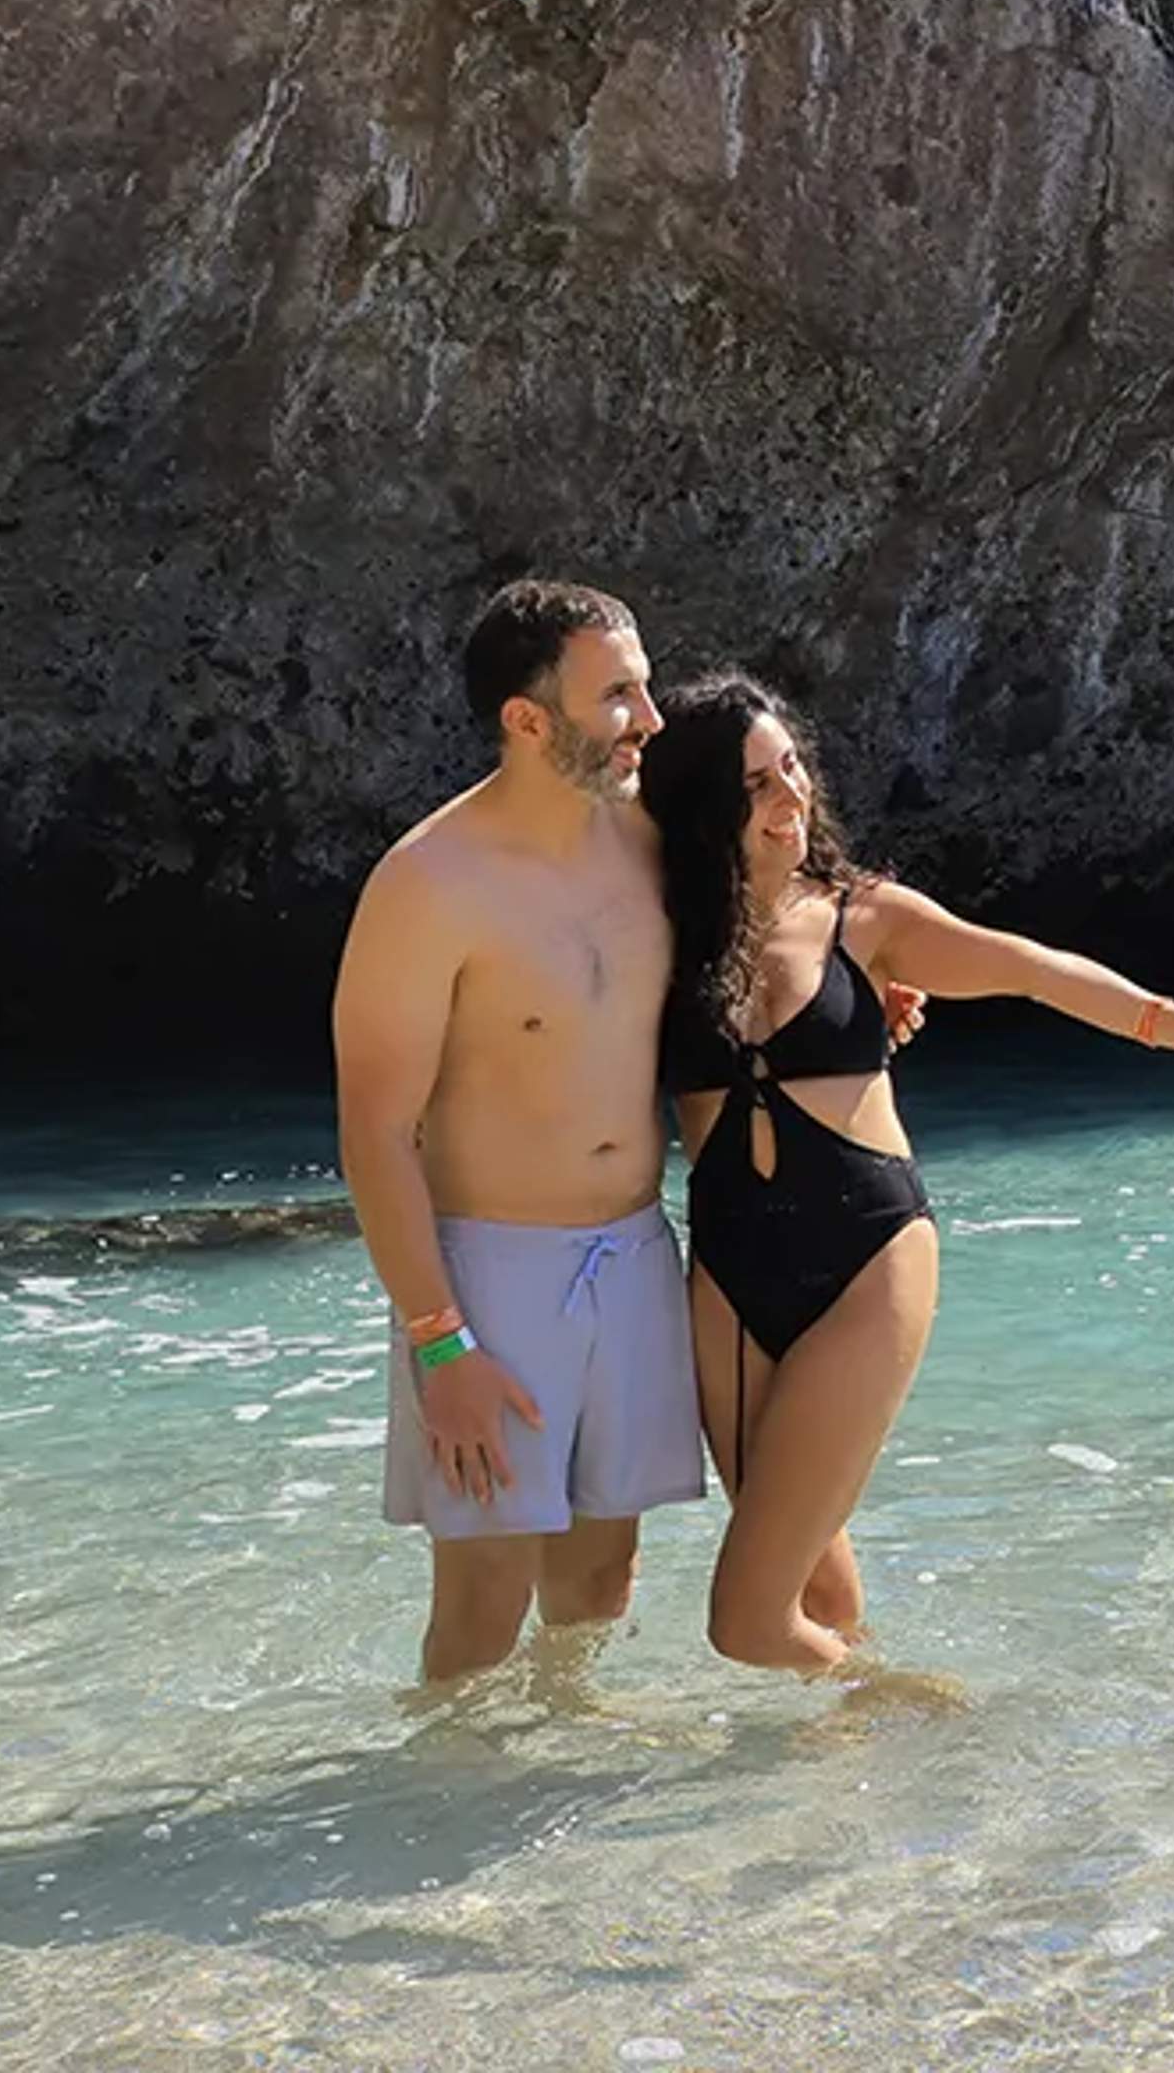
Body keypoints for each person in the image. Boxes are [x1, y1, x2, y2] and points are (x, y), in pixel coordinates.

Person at [639, 671, 1174, 1673]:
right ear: (703, 806)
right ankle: (842, 1789)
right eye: (755, 783)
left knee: (745, 1622)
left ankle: (919, 1709)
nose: (789, 797)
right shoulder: (657, 936)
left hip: (866, 1257)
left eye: (793, 767)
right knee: (811, 1585)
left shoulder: (865, 918)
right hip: (729, 1275)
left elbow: (1035, 969)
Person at [330, 579, 704, 1685]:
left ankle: (559, 1790)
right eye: (619, 696)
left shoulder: (646, 843)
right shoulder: (427, 883)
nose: (651, 718)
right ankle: (444, 1811)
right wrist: (440, 1341)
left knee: (603, 1578)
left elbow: (782, 930)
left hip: (637, 1251)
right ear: (527, 719)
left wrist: (868, 997)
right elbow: (375, 1134)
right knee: (485, 1597)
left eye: (644, 686)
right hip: (490, 1271)